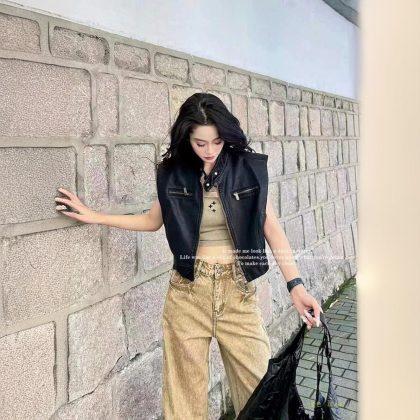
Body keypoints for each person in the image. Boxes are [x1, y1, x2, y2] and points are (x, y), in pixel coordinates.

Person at [55, 93, 323, 419]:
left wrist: (296, 286)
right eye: (200, 143)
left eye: (217, 142)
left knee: (262, 394)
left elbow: (272, 228)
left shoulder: (247, 168)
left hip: (236, 293)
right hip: (187, 294)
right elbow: (152, 221)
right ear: (187, 138)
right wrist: (95, 216)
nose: (210, 150)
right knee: (184, 404)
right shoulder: (174, 173)